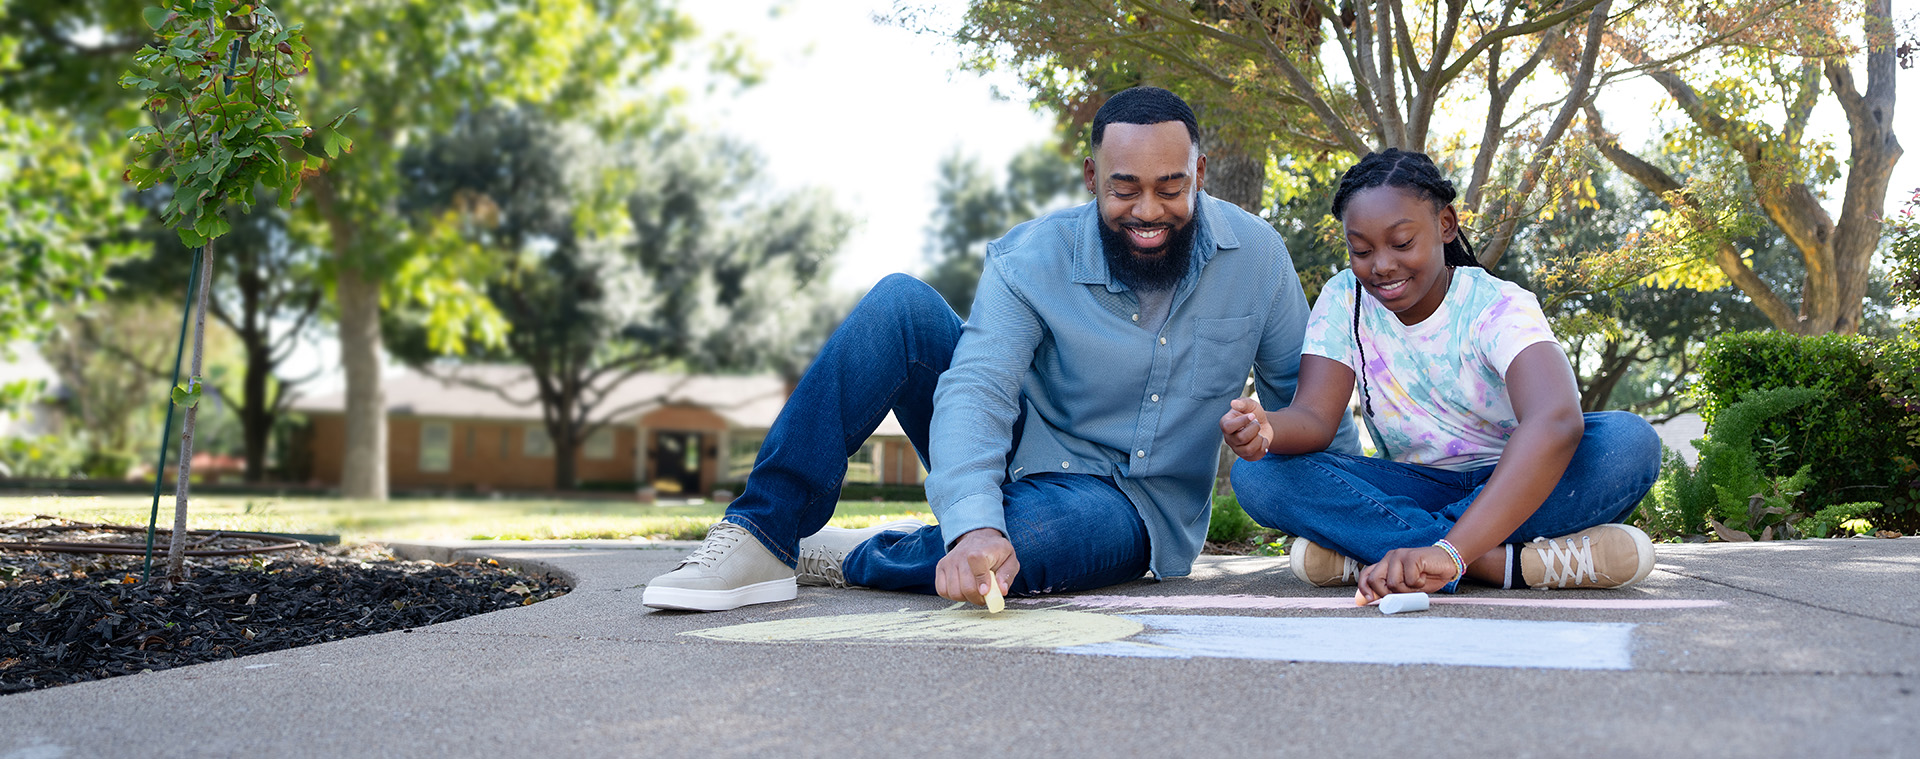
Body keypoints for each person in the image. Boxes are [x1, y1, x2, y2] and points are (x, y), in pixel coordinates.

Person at [642, 86, 1357, 611]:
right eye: (1125, 189)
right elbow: (977, 389)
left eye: (1171, 188)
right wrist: (980, 522)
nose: (1148, 211)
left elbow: (1309, 398)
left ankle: (865, 552)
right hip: (1026, 447)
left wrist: (1350, 519)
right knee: (898, 303)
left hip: (1129, 503)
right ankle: (763, 535)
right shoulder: (1030, 258)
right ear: (1091, 180)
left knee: (1036, 538)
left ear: (1200, 176)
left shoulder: (1257, 258)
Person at [1220, 148, 1662, 603]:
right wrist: (1270, 427)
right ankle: (1501, 565)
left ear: (1445, 225)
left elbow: (1556, 419)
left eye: (1402, 243)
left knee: (1628, 443)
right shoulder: (1344, 299)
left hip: (1519, 485)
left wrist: (1450, 549)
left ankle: (1389, 552)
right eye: (1361, 250)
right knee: (1260, 476)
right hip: (1415, 488)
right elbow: (1314, 417)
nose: (1382, 265)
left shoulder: (1496, 305)